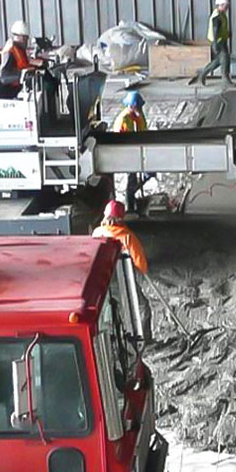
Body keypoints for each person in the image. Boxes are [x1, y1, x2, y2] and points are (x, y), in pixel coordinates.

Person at [92, 200, 151, 341]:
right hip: (121, 279)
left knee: (108, 311)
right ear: (121, 218)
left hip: (99, 281)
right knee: (142, 308)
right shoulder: (126, 237)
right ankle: (144, 342)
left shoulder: (96, 233)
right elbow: (141, 265)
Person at [112, 92, 148, 212]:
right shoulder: (124, 119)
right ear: (132, 106)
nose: (140, 109)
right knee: (131, 178)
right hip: (126, 153)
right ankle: (131, 207)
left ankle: (133, 201)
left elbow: (144, 132)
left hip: (137, 151)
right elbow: (119, 138)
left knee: (146, 175)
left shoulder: (137, 117)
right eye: (139, 107)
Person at [195, 0, 234, 86]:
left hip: (222, 41)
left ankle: (202, 74)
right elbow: (215, 31)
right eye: (226, 5)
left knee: (220, 61)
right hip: (218, 42)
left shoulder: (222, 15)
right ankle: (225, 79)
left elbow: (221, 29)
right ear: (221, 5)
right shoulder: (217, 17)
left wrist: (227, 34)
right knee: (224, 59)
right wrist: (215, 43)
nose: (227, 7)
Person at [0, 20, 38, 99]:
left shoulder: (14, 46)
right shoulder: (15, 48)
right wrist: (37, 66)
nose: (26, 41)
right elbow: (23, 65)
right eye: (25, 38)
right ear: (20, 37)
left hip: (10, 81)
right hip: (8, 86)